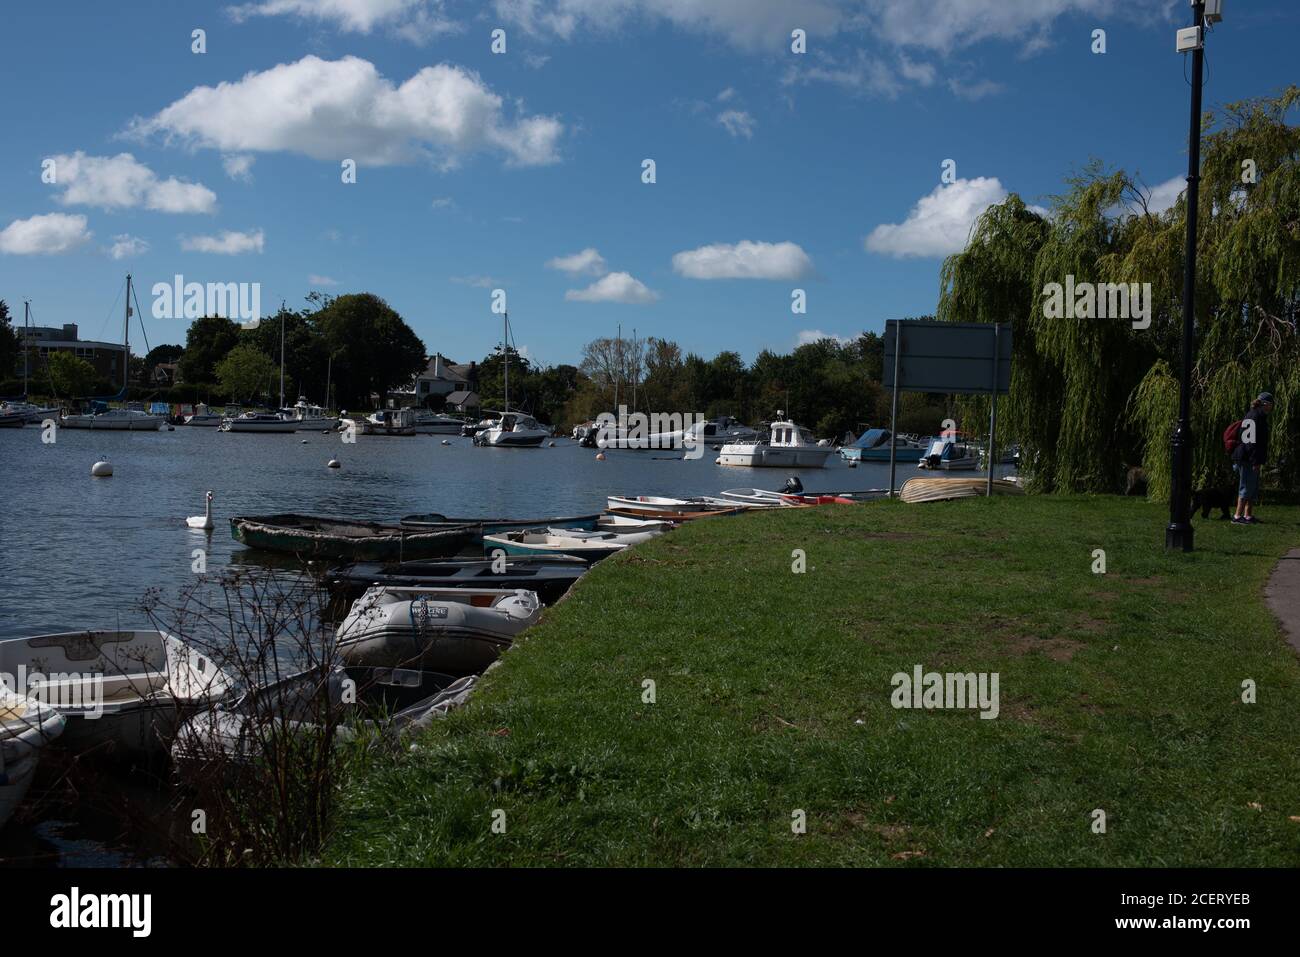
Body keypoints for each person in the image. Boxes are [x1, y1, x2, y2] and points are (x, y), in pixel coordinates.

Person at [1232, 392, 1274, 524]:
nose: (1271, 408)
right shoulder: (1255, 417)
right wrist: (1255, 461)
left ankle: (1248, 515)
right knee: (1245, 486)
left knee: (1252, 487)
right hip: (1247, 458)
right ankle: (1237, 516)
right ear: (1265, 404)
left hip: (1251, 457)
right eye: (1271, 405)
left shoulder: (1256, 415)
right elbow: (1250, 443)